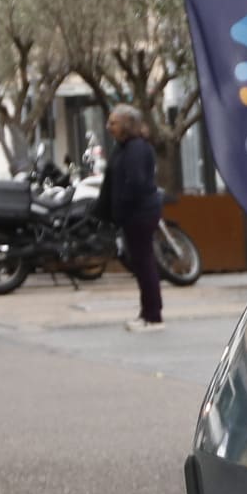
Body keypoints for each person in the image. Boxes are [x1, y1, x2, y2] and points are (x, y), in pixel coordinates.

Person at [104, 108, 164, 332]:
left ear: (128, 124)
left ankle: (153, 316)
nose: (109, 127)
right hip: (132, 214)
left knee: (144, 262)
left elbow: (137, 182)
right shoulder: (123, 148)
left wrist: (124, 202)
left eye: (114, 123)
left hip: (139, 213)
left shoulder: (136, 148)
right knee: (139, 262)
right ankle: (147, 312)